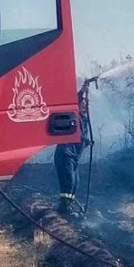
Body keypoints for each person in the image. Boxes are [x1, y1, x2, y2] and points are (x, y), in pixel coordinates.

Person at [55, 79, 94, 214]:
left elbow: (81, 136)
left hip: (74, 156)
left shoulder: (84, 120)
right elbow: (75, 102)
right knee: (69, 181)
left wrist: (87, 141)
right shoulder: (74, 115)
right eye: (83, 104)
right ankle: (64, 207)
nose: (86, 106)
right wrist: (83, 90)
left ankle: (68, 205)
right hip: (65, 154)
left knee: (75, 182)